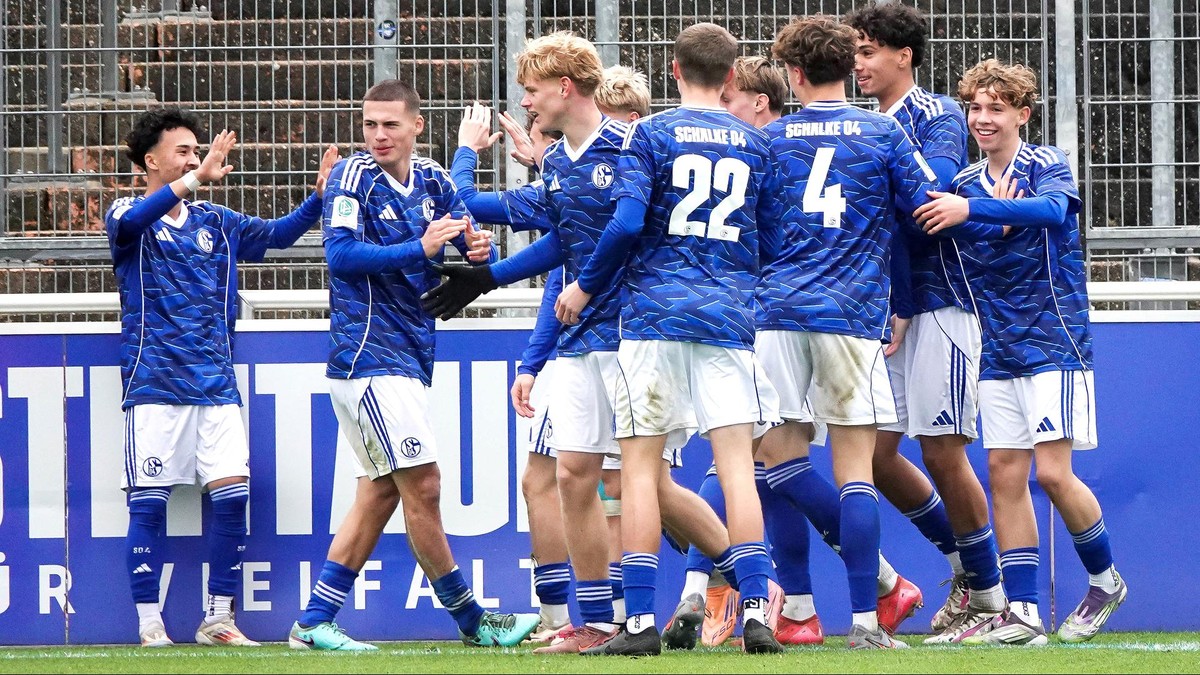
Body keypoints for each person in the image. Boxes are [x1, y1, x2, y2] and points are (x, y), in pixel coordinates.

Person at [423, 33, 737, 654]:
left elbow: (630, 238)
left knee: (649, 486)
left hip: (630, 335)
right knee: (573, 474)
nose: (527, 102)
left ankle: (751, 582)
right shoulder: (561, 160)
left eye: (533, 90)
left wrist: (584, 292)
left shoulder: (629, 148)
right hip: (576, 338)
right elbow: (560, 241)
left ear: (565, 88)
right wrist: (488, 276)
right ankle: (595, 619)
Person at [753, 15, 1004, 650]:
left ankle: (817, 606)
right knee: (858, 471)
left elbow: (751, 224)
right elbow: (925, 202)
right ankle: (867, 620)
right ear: (843, 66)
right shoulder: (883, 132)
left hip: (777, 311)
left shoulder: (770, 139)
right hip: (854, 312)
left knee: (778, 461)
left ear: (795, 73)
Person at [555, 22, 787, 657]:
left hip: (655, 313)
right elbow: (769, 232)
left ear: (674, 72)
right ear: (732, 77)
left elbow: (627, 221)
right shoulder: (755, 143)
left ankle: (636, 625)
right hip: (728, 316)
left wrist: (583, 287)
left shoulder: (647, 135)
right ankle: (760, 612)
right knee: (738, 465)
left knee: (638, 468)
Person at [287, 79, 541, 651]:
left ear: (416, 126)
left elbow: (473, 243)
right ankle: (473, 621)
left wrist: (481, 254)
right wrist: (420, 250)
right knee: (422, 484)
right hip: (367, 355)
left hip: (408, 356)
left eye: (390, 124)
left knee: (381, 491)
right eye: (369, 124)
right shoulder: (352, 178)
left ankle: (313, 622)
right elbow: (340, 255)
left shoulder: (433, 180)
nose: (378, 135)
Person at [105, 107, 337, 647]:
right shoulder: (127, 213)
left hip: (216, 386)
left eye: (196, 150)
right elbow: (134, 223)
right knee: (149, 504)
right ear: (151, 160)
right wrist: (193, 179)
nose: (195, 157)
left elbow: (278, 235)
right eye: (182, 150)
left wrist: (319, 199)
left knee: (232, 498)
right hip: (155, 385)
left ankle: (218, 620)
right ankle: (149, 625)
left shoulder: (217, 222)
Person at [916, 58, 1127, 646]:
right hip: (997, 349)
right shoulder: (960, 185)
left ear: (1022, 115)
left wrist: (985, 213)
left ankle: (1105, 580)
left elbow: (1054, 211)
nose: (983, 120)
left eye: (996, 109)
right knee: (1004, 475)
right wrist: (990, 219)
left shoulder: (1044, 163)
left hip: (1054, 342)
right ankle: (1024, 613)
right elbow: (949, 230)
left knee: (1054, 475)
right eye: (975, 109)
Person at [844, 1, 1010, 643]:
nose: (858, 64)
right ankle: (964, 567)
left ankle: (991, 598)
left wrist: (885, 195)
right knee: (878, 454)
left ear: (902, 54)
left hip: (940, 302)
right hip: (884, 306)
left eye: (867, 51)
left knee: (942, 450)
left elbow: (933, 195)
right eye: (855, 52)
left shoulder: (935, 113)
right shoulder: (862, 124)